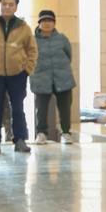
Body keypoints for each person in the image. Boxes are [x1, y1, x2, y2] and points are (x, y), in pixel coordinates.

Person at [0, 0, 37, 155]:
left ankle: (20, 139)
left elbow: (32, 51)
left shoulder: (24, 28)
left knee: (18, 108)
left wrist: (27, 70)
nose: (7, 7)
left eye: (11, 4)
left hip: (17, 74)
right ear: (0, 6)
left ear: (16, 7)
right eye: (4, 4)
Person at [30, 10, 76, 145]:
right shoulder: (32, 40)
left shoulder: (62, 39)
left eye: (50, 21)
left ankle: (65, 133)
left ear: (54, 23)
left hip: (63, 77)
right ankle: (41, 134)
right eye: (44, 21)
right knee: (41, 109)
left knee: (65, 108)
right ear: (39, 24)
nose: (47, 24)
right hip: (40, 77)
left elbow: (69, 55)